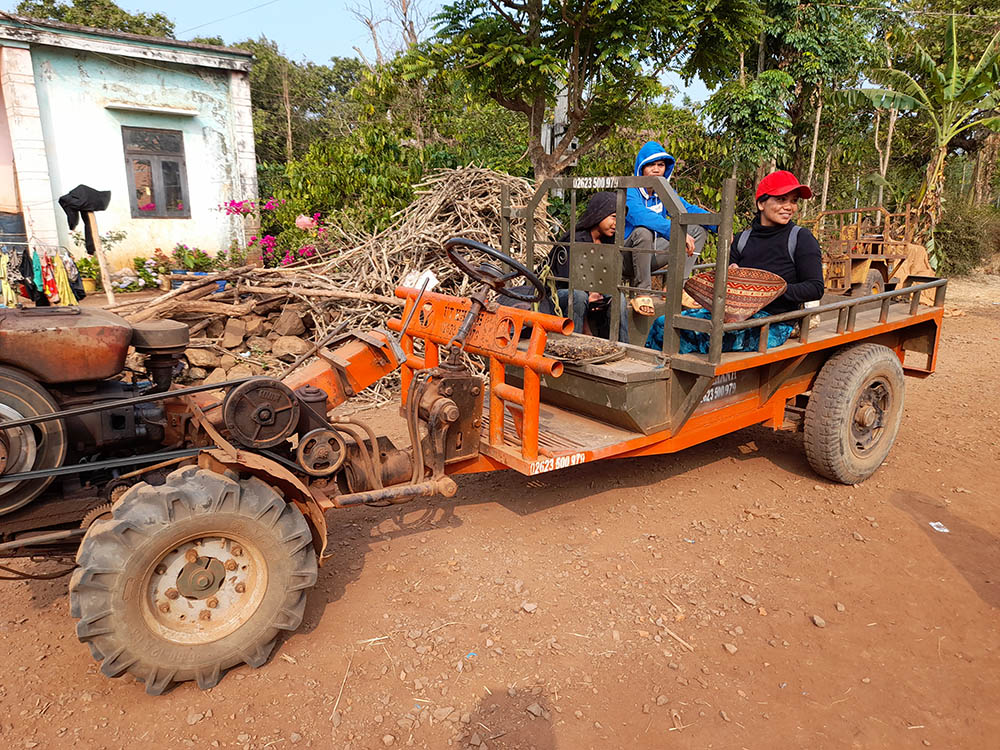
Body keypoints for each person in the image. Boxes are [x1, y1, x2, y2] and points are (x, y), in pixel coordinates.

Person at [624, 141, 716, 316]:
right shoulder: (631, 190)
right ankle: (642, 292)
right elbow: (637, 215)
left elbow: (687, 209)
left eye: (660, 165)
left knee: (697, 230)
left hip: (654, 252)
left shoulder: (664, 192)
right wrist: (673, 231)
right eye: (650, 164)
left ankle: (675, 287)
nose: (656, 169)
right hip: (628, 255)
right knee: (643, 231)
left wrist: (718, 225)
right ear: (641, 168)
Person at [729, 170, 824, 315]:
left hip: (778, 321)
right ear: (761, 204)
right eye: (781, 199)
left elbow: (815, 288)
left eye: (794, 201)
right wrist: (730, 275)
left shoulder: (801, 238)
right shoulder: (742, 239)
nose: (789, 207)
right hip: (738, 314)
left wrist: (770, 290)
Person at [546, 191, 628, 341]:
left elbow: (607, 276)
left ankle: (621, 345)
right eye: (614, 217)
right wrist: (590, 294)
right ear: (599, 214)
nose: (617, 223)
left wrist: (599, 293)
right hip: (558, 295)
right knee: (578, 295)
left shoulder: (609, 242)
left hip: (591, 293)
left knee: (619, 297)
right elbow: (567, 282)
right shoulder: (575, 240)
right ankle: (572, 343)